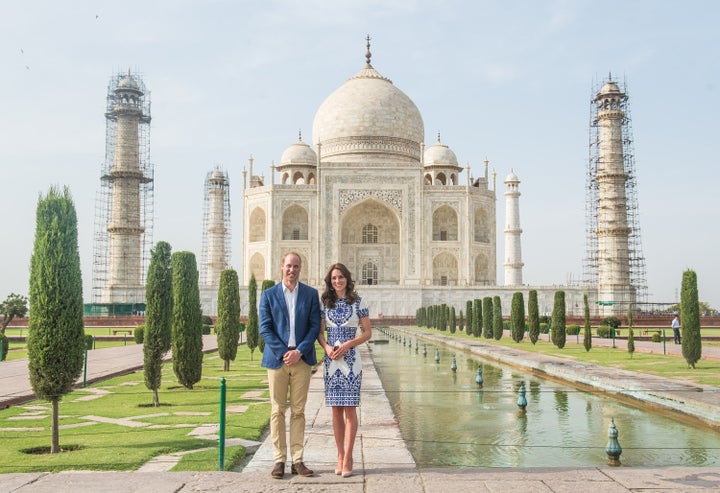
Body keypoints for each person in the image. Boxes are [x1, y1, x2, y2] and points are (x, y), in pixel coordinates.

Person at [259, 252, 321, 479]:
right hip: (277, 359)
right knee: (277, 410)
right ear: (281, 267)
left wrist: (299, 351)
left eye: (295, 266)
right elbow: (265, 328)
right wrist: (286, 352)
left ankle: (297, 460)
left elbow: (315, 327)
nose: (292, 270)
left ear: (300, 268)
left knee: (298, 411)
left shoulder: (310, 294)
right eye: (288, 266)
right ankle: (279, 460)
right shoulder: (268, 295)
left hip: (302, 359)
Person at [317, 263, 373, 478]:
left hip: (350, 361)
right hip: (332, 361)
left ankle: (349, 456)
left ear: (347, 280)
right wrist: (328, 347)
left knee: (350, 409)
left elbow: (367, 333)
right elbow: (320, 333)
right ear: (330, 281)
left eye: (340, 277)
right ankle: (339, 455)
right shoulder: (325, 303)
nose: (337, 281)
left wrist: (349, 344)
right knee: (335, 410)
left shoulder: (359, 302)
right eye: (333, 278)